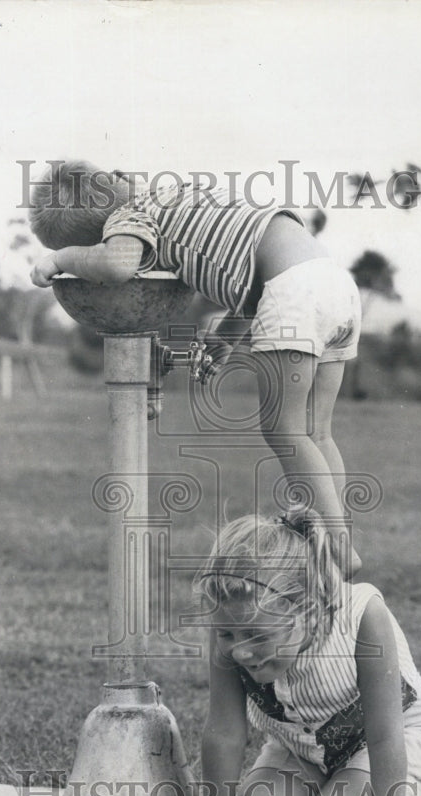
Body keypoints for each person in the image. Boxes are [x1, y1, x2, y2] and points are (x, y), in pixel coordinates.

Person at [28, 160, 363, 577]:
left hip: (293, 290)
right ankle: (338, 540)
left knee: (285, 429)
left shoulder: (130, 216)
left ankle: (337, 547)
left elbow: (118, 265)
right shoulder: (171, 195)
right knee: (318, 431)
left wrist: (58, 258)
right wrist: (224, 339)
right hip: (334, 284)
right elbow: (252, 267)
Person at [184, 508, 421, 796]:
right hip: (300, 745)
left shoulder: (363, 618)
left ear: (308, 613)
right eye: (228, 634)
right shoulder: (233, 625)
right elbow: (225, 733)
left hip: (384, 740)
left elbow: (385, 736)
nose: (240, 651)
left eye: (257, 636)